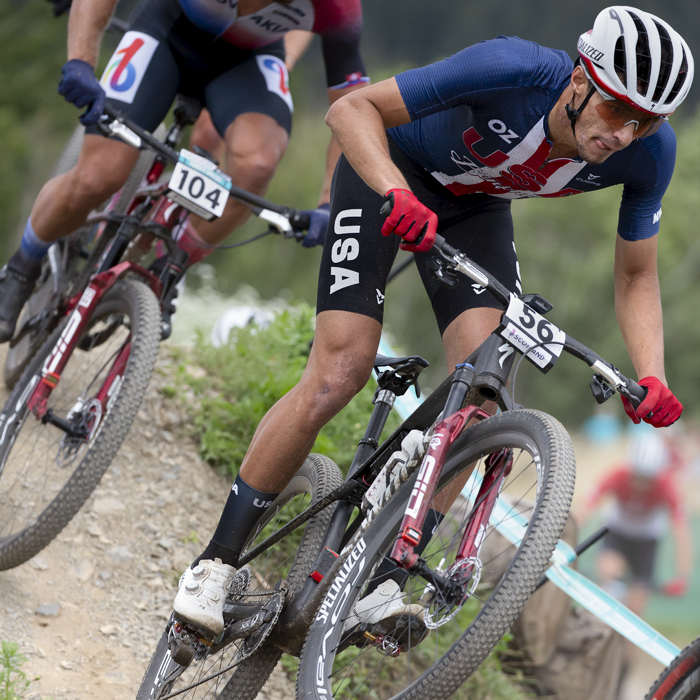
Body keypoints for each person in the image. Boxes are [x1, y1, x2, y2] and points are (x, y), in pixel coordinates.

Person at [172, 6, 693, 638]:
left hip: (475, 210)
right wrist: (396, 192)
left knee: (485, 393)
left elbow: (637, 274)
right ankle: (214, 565)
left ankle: (386, 577)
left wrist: (652, 374)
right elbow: (351, 111)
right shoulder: (512, 68)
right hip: (388, 170)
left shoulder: (648, 154)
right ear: (582, 78)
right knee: (340, 370)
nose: (625, 133)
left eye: (646, 121)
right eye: (617, 109)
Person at [0, 0, 369, 342]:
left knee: (255, 168)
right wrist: (81, 60)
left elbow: (353, 109)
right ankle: (21, 266)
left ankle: (171, 266)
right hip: (167, 30)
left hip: (247, 63)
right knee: (99, 176)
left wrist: (330, 204)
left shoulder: (337, 7)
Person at [581, 430, 692, 615]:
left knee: (636, 608)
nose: (641, 484)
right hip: (616, 531)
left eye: (647, 479)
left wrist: (682, 576)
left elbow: (681, 531)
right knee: (609, 571)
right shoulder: (617, 474)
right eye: (637, 476)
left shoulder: (667, 485)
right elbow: (585, 508)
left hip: (647, 540)